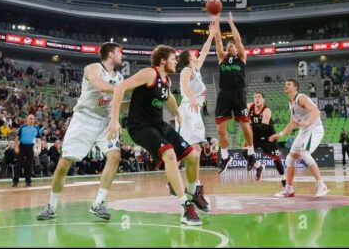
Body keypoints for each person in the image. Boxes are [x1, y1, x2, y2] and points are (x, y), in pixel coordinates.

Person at [107, 45, 205, 226]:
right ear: (162, 60)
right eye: (173, 58)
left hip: (159, 125)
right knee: (169, 154)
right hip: (140, 127)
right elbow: (120, 87)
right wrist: (114, 120)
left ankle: (193, 193)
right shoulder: (149, 73)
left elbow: (169, 98)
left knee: (193, 155)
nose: (176, 61)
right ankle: (185, 207)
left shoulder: (166, 81)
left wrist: (177, 114)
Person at [37, 43, 127, 222]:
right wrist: (127, 88)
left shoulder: (121, 79)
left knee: (115, 156)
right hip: (84, 118)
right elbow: (100, 86)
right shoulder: (93, 68)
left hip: (105, 122)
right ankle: (51, 206)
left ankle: (99, 203)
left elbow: (118, 104)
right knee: (64, 163)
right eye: (119, 52)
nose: (122, 56)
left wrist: (141, 102)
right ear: (110, 54)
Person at [172, 21, 216, 206]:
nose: (195, 53)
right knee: (189, 150)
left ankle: (192, 187)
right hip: (188, 109)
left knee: (195, 150)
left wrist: (212, 34)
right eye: (192, 54)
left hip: (194, 111)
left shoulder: (195, 68)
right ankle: (183, 183)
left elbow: (205, 51)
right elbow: (183, 83)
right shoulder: (187, 70)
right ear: (188, 58)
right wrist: (191, 98)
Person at [269, 79, 328, 198]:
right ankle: (288, 189)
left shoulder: (301, 98)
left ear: (295, 88)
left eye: (289, 84)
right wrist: (280, 135)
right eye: (285, 84)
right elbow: (292, 123)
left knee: (304, 153)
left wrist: (307, 122)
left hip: (314, 128)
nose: (286, 86)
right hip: (304, 130)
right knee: (290, 159)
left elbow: (316, 111)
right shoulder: (291, 103)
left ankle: (322, 185)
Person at [214, 12, 256, 174]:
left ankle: (251, 153)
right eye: (228, 46)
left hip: (239, 93)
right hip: (224, 94)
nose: (230, 46)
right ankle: (225, 156)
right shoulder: (221, 58)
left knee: (245, 124)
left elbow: (238, 40)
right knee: (220, 130)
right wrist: (216, 21)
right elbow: (218, 39)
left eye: (232, 45)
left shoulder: (241, 58)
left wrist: (231, 23)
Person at [248, 92, 286, 189]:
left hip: (268, 137)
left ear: (263, 100)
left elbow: (263, 129)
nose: (257, 99)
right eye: (255, 97)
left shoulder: (266, 110)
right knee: (245, 151)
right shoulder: (249, 107)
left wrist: (250, 123)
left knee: (277, 160)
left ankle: (284, 182)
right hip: (256, 137)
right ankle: (258, 167)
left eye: (259, 97)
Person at [13, 114, 41, 187]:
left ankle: (28, 181)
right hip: (22, 147)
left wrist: (39, 147)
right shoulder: (23, 127)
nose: (32, 120)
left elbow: (39, 139)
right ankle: (15, 181)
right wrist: (16, 147)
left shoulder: (36, 128)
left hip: (30, 147)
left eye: (33, 119)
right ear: (27, 119)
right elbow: (17, 137)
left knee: (29, 165)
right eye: (30, 118)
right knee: (19, 164)